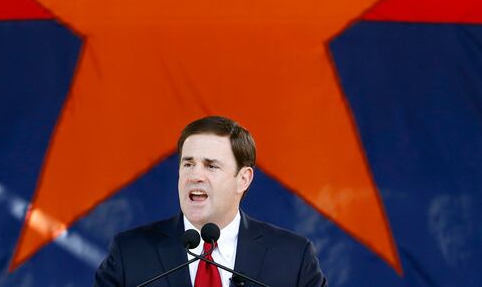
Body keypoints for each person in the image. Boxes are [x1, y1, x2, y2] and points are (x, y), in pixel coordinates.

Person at [94, 116, 328, 286]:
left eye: (211, 165)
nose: (195, 176)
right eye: (188, 164)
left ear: (243, 179)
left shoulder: (293, 258)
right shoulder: (130, 254)